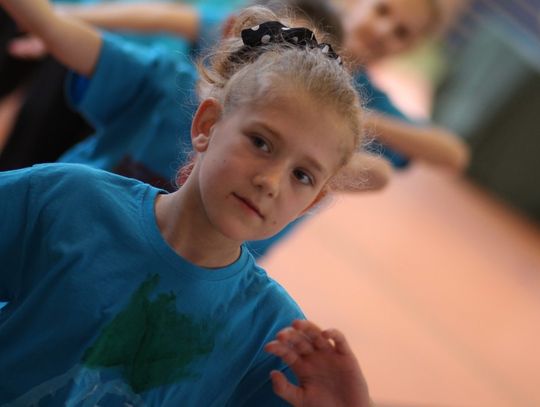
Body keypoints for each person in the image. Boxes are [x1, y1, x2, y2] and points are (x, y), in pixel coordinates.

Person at [0, 1, 371, 405]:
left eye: (302, 175)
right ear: (207, 125)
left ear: (313, 201)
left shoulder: (276, 340)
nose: (269, 182)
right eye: (261, 143)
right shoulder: (71, 200)